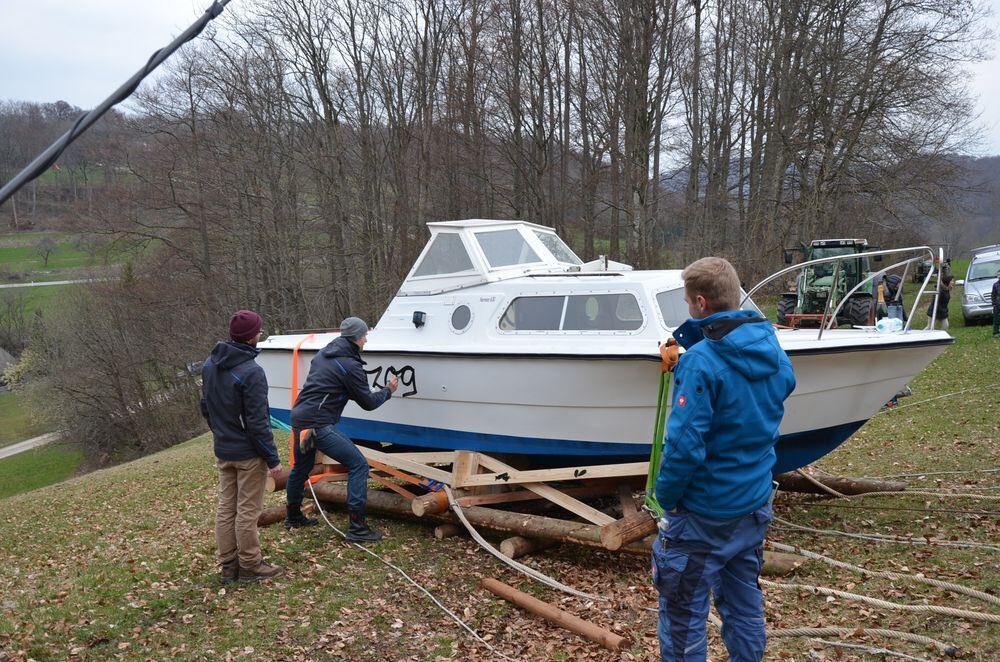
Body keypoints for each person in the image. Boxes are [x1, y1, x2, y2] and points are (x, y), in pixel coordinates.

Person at [652, 257, 796, 661]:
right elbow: (786, 384)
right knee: (743, 602)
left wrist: (665, 496)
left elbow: (682, 448)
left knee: (683, 618)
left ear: (700, 303)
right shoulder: (769, 345)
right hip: (752, 506)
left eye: (685, 300)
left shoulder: (702, 364)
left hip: (704, 517)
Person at [284, 317, 398, 542]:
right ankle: (357, 528)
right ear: (355, 338)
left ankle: (294, 517)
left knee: (302, 467)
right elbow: (368, 403)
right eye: (364, 336)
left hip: (301, 420)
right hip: (317, 426)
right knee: (358, 464)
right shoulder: (350, 366)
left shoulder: (324, 353)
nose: (366, 340)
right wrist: (388, 391)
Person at [201, 309, 284, 583]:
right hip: (248, 455)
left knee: (227, 507)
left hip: (223, 450)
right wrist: (273, 460)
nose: (261, 334)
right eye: (259, 331)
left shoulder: (209, 365)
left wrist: (220, 434)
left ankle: (228, 565)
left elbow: (206, 407)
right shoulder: (252, 372)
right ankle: (250, 565)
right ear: (252, 337)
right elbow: (258, 422)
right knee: (247, 510)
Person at [992, 269, 1000, 338]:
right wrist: (994, 304)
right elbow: (993, 295)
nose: (999, 276)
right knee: (996, 319)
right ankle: (996, 332)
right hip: (997, 304)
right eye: (998, 275)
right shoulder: (995, 285)